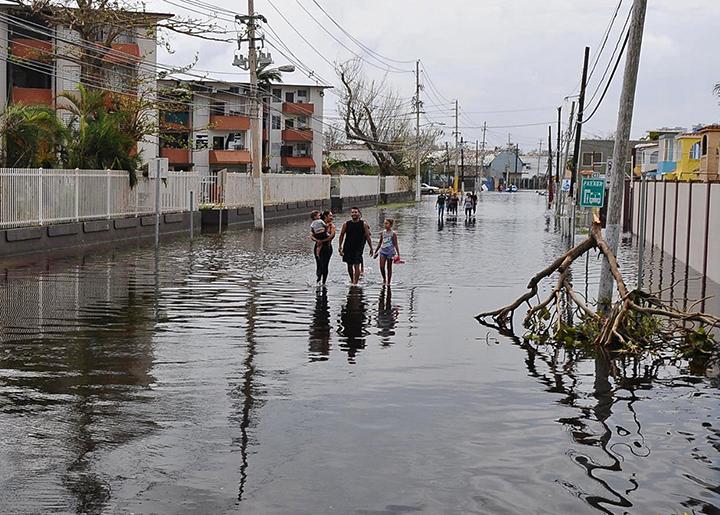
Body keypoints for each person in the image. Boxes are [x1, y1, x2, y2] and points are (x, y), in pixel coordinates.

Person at [339, 207, 373, 285]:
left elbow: (368, 236)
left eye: (355, 212)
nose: (354, 214)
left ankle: (355, 283)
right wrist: (340, 246)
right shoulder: (346, 224)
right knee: (349, 265)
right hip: (348, 247)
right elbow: (341, 235)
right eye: (352, 212)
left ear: (359, 214)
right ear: (351, 214)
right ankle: (352, 280)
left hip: (358, 247)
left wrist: (371, 248)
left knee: (356, 264)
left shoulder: (363, 224)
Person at [311, 211, 336, 286]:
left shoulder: (332, 226)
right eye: (330, 216)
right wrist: (317, 240)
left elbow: (332, 236)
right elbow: (311, 235)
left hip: (327, 247)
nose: (332, 217)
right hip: (318, 246)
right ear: (325, 216)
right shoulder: (317, 224)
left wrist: (322, 241)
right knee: (319, 264)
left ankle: (323, 283)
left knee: (325, 265)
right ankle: (318, 280)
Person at [373, 218, 400, 285]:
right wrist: (376, 251)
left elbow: (395, 244)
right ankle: (384, 279)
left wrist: (398, 254)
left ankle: (389, 282)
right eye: (384, 223)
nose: (385, 225)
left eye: (386, 223)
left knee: (389, 267)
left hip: (390, 252)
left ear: (390, 225)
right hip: (382, 251)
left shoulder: (393, 234)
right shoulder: (383, 233)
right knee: (381, 267)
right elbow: (380, 243)